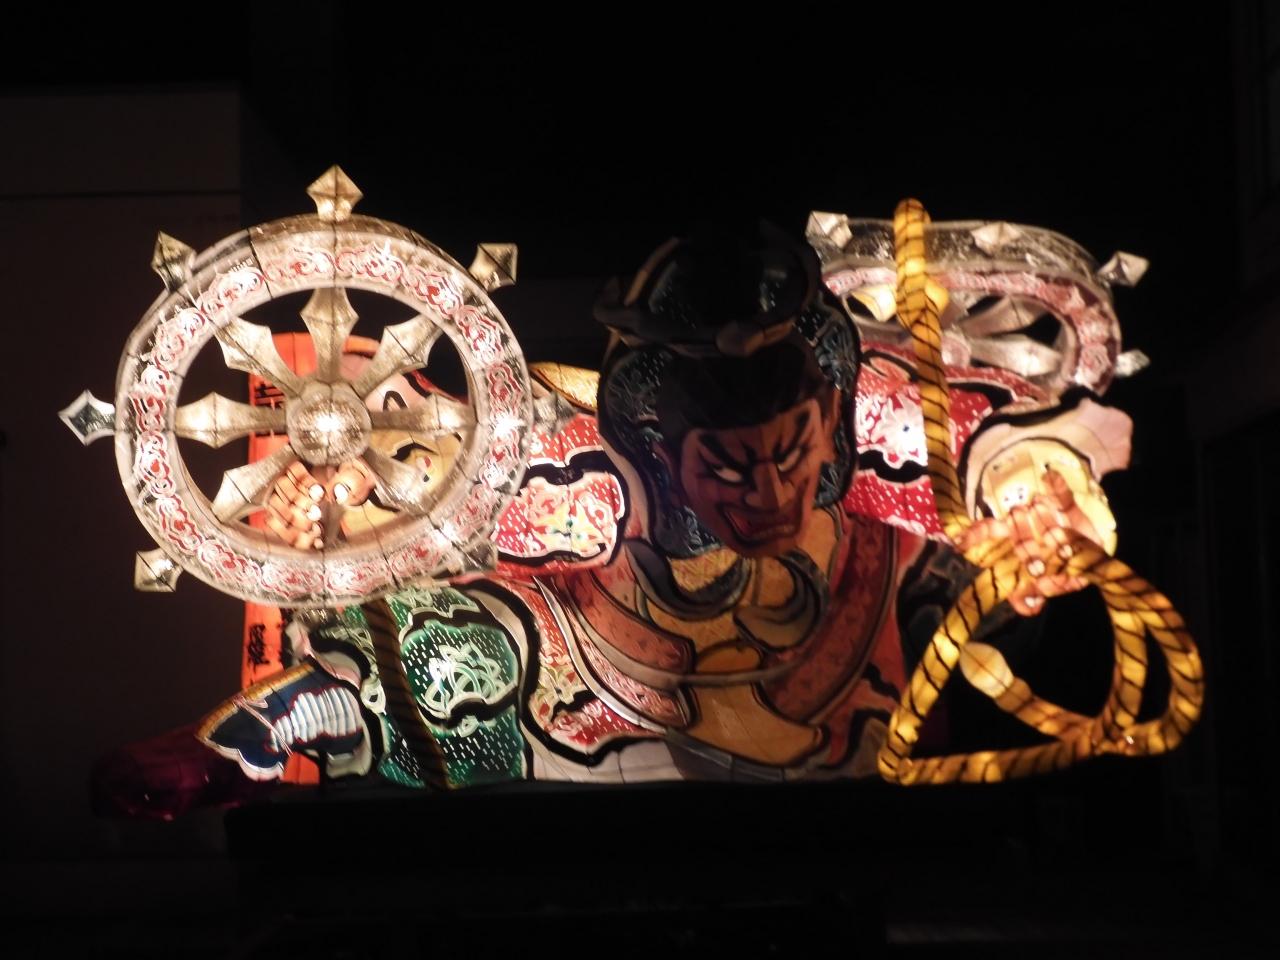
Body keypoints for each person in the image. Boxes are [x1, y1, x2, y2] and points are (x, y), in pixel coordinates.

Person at [95, 224, 1126, 812]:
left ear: (830, 419)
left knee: (965, 593)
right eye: (727, 468)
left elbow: (1004, 443)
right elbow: (439, 492)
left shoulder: (879, 430)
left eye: (789, 454)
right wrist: (345, 487)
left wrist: (1037, 502)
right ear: (660, 444)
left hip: (845, 688)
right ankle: (249, 740)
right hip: (617, 680)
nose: (767, 493)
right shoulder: (586, 473)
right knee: (451, 648)